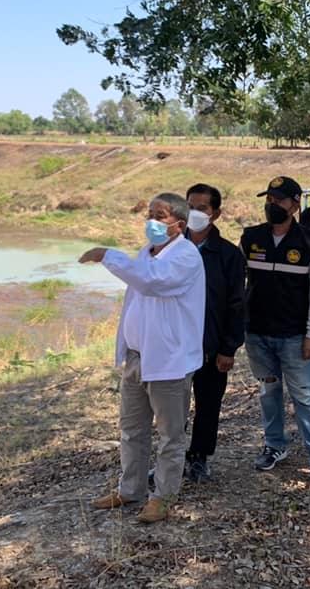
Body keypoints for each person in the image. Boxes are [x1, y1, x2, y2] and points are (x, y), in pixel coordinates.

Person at [81, 193, 205, 523]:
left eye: (159, 215)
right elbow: (138, 293)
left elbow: (152, 284)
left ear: (178, 224)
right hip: (138, 358)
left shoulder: (186, 257)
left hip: (169, 361)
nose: (151, 221)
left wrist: (109, 256)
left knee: (170, 435)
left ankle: (162, 497)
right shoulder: (147, 252)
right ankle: (130, 489)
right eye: (149, 213)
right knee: (132, 429)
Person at [240, 176, 310, 491]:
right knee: (268, 393)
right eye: (269, 199)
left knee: (306, 398)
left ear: (296, 204)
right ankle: (274, 445)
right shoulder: (251, 238)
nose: (273, 205)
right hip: (257, 334)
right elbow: (237, 286)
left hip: (295, 337)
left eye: (280, 200)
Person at [183, 184, 245, 482]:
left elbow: (237, 304)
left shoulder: (229, 255)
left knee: (208, 404)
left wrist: (228, 348)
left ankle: (199, 457)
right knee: (173, 408)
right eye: (190, 206)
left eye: (202, 208)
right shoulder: (170, 248)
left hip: (210, 346)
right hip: (175, 347)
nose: (194, 213)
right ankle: (171, 458)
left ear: (216, 214)